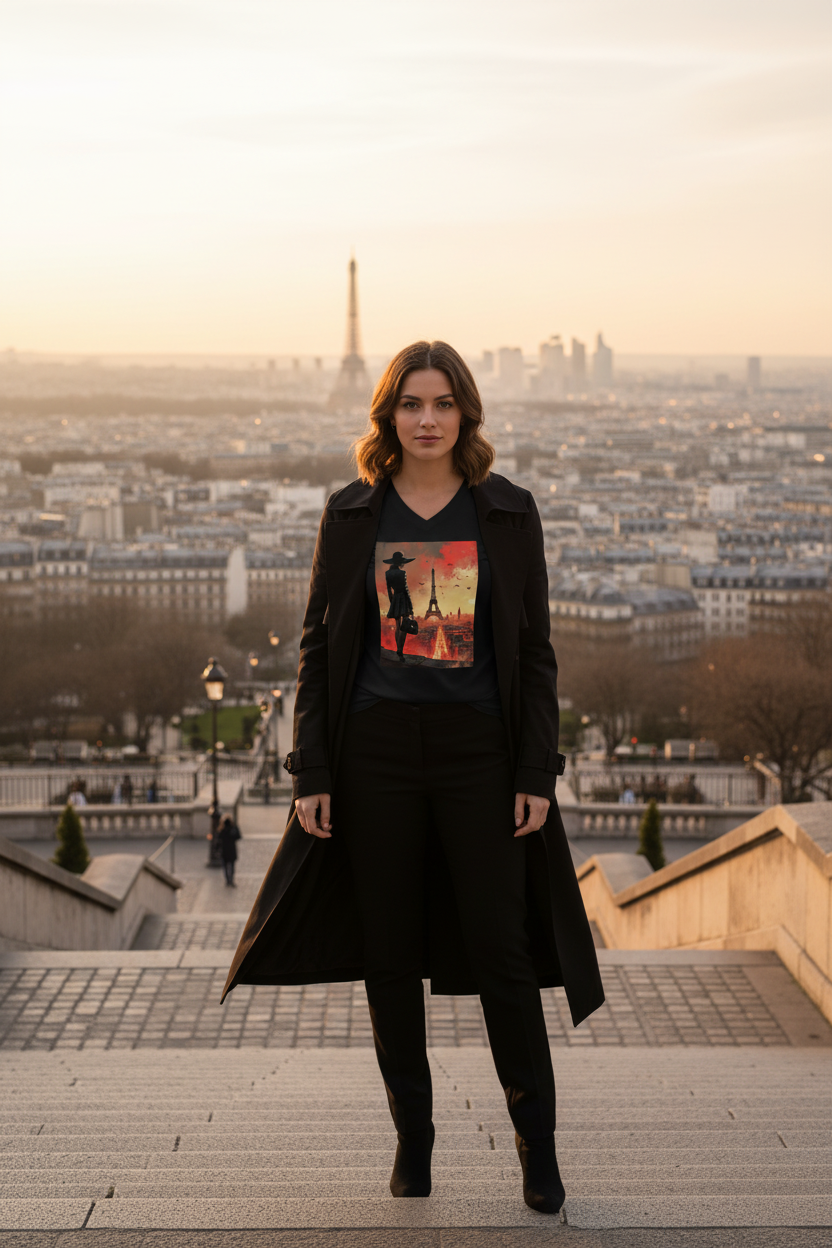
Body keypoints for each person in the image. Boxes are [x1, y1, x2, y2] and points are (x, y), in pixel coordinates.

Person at [221, 341, 604, 1216]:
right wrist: (311, 766)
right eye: (410, 404)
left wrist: (535, 768)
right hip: (375, 752)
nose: (426, 418)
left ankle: (535, 1145)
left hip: (477, 750)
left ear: (465, 412)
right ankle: (414, 1139)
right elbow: (319, 646)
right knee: (388, 956)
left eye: (442, 403)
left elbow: (537, 653)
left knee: (503, 954)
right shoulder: (351, 513)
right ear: (387, 415)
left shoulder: (508, 512)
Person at [218, 813, 241, 887]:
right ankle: (230, 880)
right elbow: (238, 836)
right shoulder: (232, 828)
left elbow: (218, 839)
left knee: (225, 867)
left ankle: (228, 880)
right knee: (231, 866)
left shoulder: (222, 829)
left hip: (224, 850)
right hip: (231, 850)